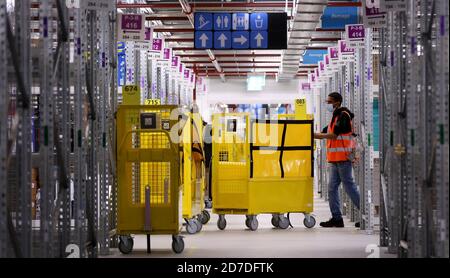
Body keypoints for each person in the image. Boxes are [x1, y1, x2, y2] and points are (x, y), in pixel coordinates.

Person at [314, 92, 360, 228]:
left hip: (344, 158)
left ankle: (365, 215)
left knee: (349, 186)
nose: (328, 104)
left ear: (337, 102)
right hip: (335, 159)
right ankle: (337, 218)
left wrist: (316, 135)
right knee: (332, 188)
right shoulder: (334, 118)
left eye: (330, 102)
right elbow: (325, 132)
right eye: (327, 102)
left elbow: (333, 136)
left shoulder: (343, 116)